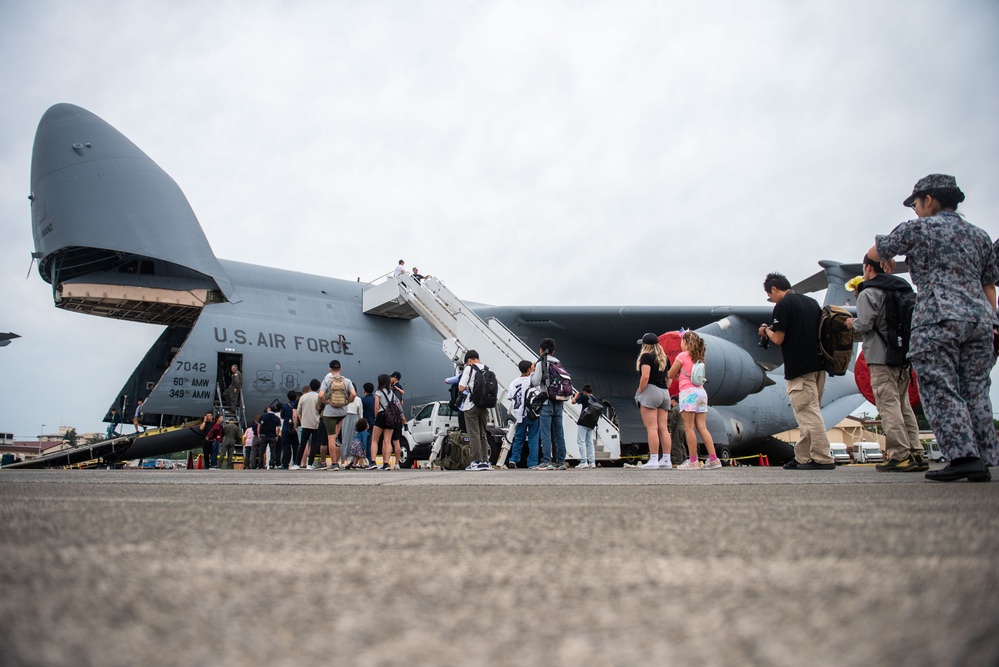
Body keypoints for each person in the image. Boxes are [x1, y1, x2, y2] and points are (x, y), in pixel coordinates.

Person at [875, 174, 998, 482]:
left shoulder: (919, 228)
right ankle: (985, 458)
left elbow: (878, 250)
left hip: (938, 317)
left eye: (915, 203)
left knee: (940, 387)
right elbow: (989, 284)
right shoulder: (980, 236)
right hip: (980, 320)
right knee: (976, 391)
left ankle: (963, 456)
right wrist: (993, 321)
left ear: (929, 200)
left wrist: (884, 258)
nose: (915, 210)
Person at [845, 252, 923, 472]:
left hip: (880, 358)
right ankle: (916, 453)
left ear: (869, 268)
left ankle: (899, 455)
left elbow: (864, 324)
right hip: (903, 358)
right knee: (903, 405)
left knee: (888, 406)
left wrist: (851, 323)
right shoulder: (902, 287)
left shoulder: (869, 292)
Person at [759, 273, 835, 470]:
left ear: (774, 289)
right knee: (808, 413)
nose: (771, 298)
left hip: (800, 368)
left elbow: (778, 339)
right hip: (818, 367)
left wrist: (766, 330)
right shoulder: (811, 302)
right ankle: (803, 456)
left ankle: (822, 457)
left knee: (807, 413)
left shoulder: (783, 306)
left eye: (769, 295)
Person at [666, 331, 722, 470]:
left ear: (685, 341)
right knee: (702, 428)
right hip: (701, 393)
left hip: (688, 394)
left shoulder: (682, 356)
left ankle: (693, 461)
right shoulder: (700, 357)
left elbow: (671, 374)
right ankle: (714, 459)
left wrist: (680, 377)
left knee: (689, 428)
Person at [634, 333, 673, 469]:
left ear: (645, 345)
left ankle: (654, 459)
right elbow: (670, 378)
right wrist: (664, 388)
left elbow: (645, 376)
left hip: (651, 390)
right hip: (664, 392)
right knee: (663, 428)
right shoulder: (664, 358)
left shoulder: (646, 356)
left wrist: (640, 391)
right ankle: (666, 460)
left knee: (652, 428)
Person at [531, 337, 570, 470]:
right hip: (559, 401)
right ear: (553, 351)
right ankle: (561, 461)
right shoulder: (558, 363)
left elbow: (535, 382)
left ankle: (546, 461)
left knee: (546, 433)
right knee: (559, 433)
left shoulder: (540, 363)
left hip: (546, 401)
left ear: (541, 350)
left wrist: (532, 373)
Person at [318, 359, 357, 471]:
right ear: (340, 368)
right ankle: (339, 461)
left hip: (330, 411)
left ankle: (334, 463)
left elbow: (321, 395)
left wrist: (326, 402)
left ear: (330, 369)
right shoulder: (347, 381)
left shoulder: (327, 380)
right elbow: (353, 394)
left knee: (331, 437)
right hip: (342, 412)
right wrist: (347, 402)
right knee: (336, 436)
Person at [459, 350, 493, 471]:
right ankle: (485, 461)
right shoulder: (488, 369)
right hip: (484, 407)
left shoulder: (469, 369)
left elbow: (461, 387)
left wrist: (468, 387)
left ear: (469, 360)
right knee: (483, 434)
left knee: (474, 434)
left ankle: (476, 461)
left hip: (471, 406)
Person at [505, 360, 540, 469]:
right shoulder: (533, 381)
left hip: (519, 415)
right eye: (532, 366)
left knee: (519, 438)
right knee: (533, 438)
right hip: (533, 414)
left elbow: (509, 397)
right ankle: (532, 463)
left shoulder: (514, 382)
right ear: (529, 369)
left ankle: (513, 459)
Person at [371, 373, 402, 470]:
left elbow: (376, 407)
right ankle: (386, 463)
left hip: (381, 415)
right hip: (390, 417)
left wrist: (376, 417)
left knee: (375, 440)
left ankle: (373, 461)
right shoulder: (392, 393)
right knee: (387, 441)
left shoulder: (378, 392)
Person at [296, 379, 322, 469]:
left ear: (310, 386)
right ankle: (310, 464)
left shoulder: (303, 397)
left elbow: (298, 411)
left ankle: (296, 463)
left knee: (302, 444)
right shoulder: (319, 397)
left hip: (305, 424)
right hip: (316, 423)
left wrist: (302, 421)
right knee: (314, 444)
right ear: (318, 388)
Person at [572, 385, 596, 468]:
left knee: (581, 441)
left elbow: (573, 402)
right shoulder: (594, 399)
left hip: (583, 422)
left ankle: (583, 461)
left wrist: (576, 395)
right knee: (590, 442)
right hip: (591, 423)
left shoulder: (585, 397)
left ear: (585, 391)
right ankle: (592, 462)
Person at [339, 390, 363, 466]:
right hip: (355, 419)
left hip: (344, 418)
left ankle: (343, 460)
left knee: (344, 438)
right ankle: (352, 460)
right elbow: (360, 412)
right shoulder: (358, 399)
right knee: (354, 439)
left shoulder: (344, 398)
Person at [279, 390, 299, 469]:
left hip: (286, 428)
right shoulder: (297, 405)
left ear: (288, 397)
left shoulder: (285, 406)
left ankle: (285, 464)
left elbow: (282, 416)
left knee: (286, 447)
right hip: (295, 428)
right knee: (296, 447)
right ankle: (296, 462)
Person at [257, 404, 282, 469]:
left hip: (264, 435)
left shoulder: (263, 416)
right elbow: (278, 428)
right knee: (272, 451)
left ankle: (260, 464)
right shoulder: (276, 418)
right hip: (272, 436)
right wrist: (277, 435)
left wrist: (258, 433)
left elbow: (259, 425)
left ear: (269, 409)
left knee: (262, 451)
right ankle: (272, 464)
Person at [668, 396, 688, 464]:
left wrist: (670, 429)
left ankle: (678, 460)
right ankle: (684, 459)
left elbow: (673, 420)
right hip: (683, 428)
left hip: (677, 428)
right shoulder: (681, 408)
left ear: (673, 400)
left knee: (676, 445)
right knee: (681, 444)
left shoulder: (674, 409)